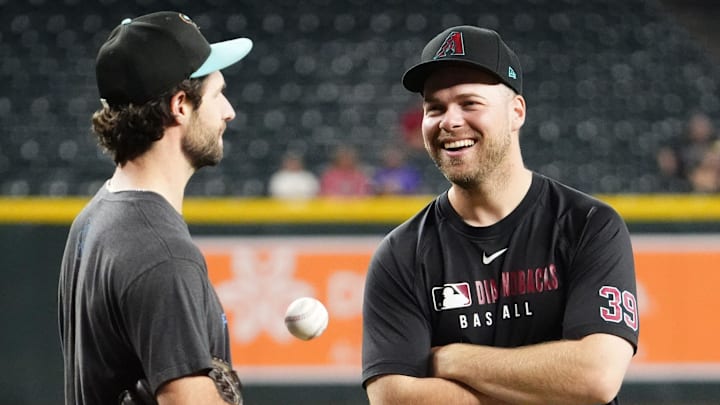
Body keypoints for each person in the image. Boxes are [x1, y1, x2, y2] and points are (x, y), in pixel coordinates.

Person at [362, 26, 639, 404]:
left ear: (516, 112)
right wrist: (546, 389)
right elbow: (395, 398)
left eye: (469, 103)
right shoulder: (400, 254)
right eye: (435, 107)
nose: (450, 121)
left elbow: (595, 377)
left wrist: (454, 359)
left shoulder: (588, 224)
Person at [58, 11, 253, 404]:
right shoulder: (162, 251)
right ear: (180, 105)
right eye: (217, 95)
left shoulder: (94, 217)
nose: (228, 111)